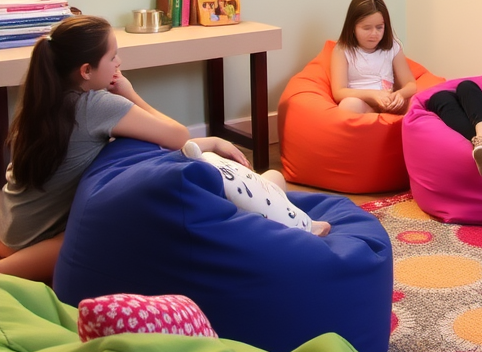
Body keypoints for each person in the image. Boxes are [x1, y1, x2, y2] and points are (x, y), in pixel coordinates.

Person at [0, 15, 327, 283]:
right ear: (85, 71)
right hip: (36, 244)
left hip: (10, 228)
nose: (119, 62)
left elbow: (147, 149)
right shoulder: (97, 105)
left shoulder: (42, 99)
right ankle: (283, 203)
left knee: (263, 182)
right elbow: (175, 134)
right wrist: (129, 92)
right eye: (112, 57)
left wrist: (208, 142)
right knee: (84, 245)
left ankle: (273, 189)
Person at [330, 0, 417, 116]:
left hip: (389, 104)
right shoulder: (342, 50)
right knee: (348, 105)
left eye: (379, 27)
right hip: (362, 105)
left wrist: (399, 95)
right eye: (366, 28)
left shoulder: (392, 47)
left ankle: (385, 118)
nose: (374, 33)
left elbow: (411, 84)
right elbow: (339, 92)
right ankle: (376, 118)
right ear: (352, 27)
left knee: (418, 101)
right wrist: (373, 95)